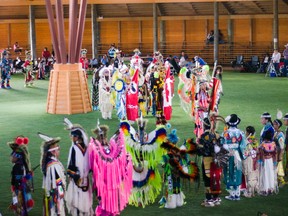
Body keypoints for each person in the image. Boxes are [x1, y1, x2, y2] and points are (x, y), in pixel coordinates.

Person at [89, 123, 133, 215]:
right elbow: (94, 167)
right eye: (101, 138)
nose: (103, 139)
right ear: (98, 138)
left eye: (104, 137)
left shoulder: (113, 148)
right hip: (103, 184)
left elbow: (119, 160)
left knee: (114, 202)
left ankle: (113, 212)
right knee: (104, 204)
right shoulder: (96, 150)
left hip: (114, 183)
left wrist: (127, 159)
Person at [64, 118, 93, 216]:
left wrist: (72, 176)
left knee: (76, 200)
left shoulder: (74, 148)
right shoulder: (88, 147)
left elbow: (71, 165)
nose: (71, 138)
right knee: (85, 198)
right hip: (85, 179)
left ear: (77, 137)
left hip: (77, 179)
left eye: (72, 136)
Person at [197, 117, 227, 207]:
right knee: (216, 179)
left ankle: (209, 199)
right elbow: (223, 149)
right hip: (217, 162)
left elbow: (200, 151)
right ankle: (216, 198)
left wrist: (196, 146)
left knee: (207, 180)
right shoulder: (218, 135)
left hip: (207, 161)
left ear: (204, 125)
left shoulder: (204, 136)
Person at [38, 132, 66, 216]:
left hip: (52, 195)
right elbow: (58, 183)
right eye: (58, 149)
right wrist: (61, 196)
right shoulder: (53, 165)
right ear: (53, 151)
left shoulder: (50, 162)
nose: (59, 151)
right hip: (55, 197)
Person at [221, 114, 246, 201]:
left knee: (229, 172)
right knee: (237, 172)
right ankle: (237, 194)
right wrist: (241, 155)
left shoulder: (225, 133)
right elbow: (243, 146)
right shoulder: (241, 133)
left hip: (229, 155)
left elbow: (222, 145)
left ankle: (232, 194)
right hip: (237, 155)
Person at [8, 136, 34, 215]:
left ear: (17, 156)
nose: (11, 157)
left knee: (21, 209)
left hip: (20, 191)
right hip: (24, 189)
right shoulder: (21, 165)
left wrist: (16, 191)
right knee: (24, 209)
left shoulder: (18, 166)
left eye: (13, 155)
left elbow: (17, 181)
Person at [258, 129, 278, 195]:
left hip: (265, 161)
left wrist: (261, 162)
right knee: (271, 174)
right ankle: (270, 189)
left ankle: (264, 189)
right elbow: (275, 153)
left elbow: (260, 153)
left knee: (265, 174)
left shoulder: (263, 145)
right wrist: (275, 162)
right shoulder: (273, 144)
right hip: (271, 161)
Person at [242, 126, 259, 197]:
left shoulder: (246, 141)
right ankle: (255, 190)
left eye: (246, 131)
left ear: (248, 132)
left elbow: (245, 152)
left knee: (247, 174)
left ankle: (249, 192)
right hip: (255, 160)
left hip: (248, 160)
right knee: (254, 174)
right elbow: (257, 150)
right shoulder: (255, 140)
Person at [273, 119, 286, 186]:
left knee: (279, 166)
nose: (273, 125)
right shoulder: (275, 132)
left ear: (278, 125)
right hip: (275, 152)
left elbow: (282, 147)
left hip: (279, 152)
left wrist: (280, 155)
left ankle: (281, 180)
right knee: (276, 166)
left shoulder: (280, 135)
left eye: (275, 124)